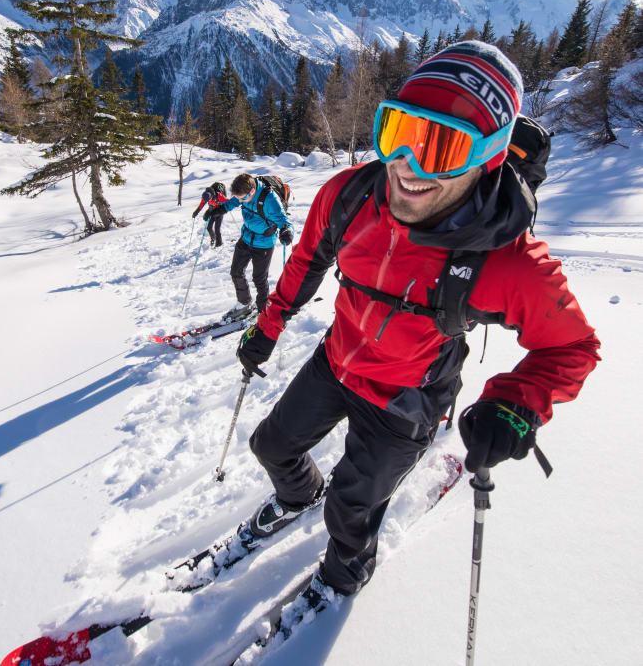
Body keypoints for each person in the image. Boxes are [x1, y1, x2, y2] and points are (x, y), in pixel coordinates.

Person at [235, 41, 601, 621]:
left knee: (353, 511)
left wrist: (516, 402)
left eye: (442, 145)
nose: (407, 164)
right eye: (398, 130)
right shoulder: (350, 195)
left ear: (489, 153)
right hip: (336, 362)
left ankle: (343, 574)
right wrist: (268, 326)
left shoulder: (506, 262)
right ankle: (299, 495)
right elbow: (306, 260)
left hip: (406, 397)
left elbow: (573, 345)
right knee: (270, 445)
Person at [209, 173, 294, 319]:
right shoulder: (244, 193)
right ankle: (244, 303)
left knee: (259, 278)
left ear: (252, 191)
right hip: (246, 237)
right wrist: (220, 210)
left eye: (242, 198)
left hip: (264, 243)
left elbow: (284, 221)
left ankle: (263, 311)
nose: (240, 200)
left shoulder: (270, 200)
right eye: (239, 197)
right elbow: (233, 202)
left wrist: (287, 231)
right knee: (236, 272)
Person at [192, 183, 228, 247]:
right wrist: (196, 212)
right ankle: (213, 238)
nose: (207, 201)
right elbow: (201, 205)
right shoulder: (205, 197)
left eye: (209, 200)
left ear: (211, 196)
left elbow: (228, 202)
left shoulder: (219, 195)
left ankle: (219, 244)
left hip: (220, 211)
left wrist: (221, 203)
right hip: (212, 210)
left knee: (217, 229)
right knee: (209, 227)